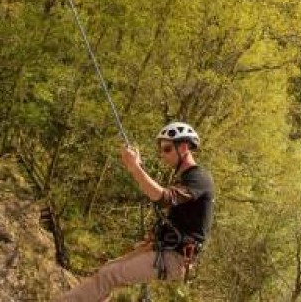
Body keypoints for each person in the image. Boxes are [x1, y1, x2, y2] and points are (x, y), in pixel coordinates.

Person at [59, 122, 214, 302]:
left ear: (184, 147)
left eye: (167, 148)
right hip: (165, 248)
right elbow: (164, 202)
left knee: (111, 275)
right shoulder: (185, 179)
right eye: (161, 149)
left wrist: (135, 168)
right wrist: (136, 169)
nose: (162, 155)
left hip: (175, 258)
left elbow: (164, 198)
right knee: (106, 270)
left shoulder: (199, 177)